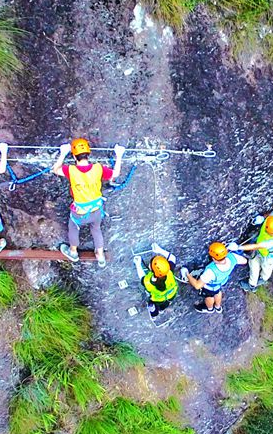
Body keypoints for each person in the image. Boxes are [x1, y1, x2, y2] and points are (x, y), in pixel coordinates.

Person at [53, 137, 125, 266]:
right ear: (88, 153)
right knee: (96, 229)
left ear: (74, 157)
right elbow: (116, 173)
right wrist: (119, 155)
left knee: (73, 228)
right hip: (96, 209)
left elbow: (56, 169)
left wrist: (63, 153)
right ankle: (100, 255)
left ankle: (73, 252)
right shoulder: (98, 168)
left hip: (79, 212)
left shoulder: (70, 170)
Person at [181, 241, 246, 313]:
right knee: (217, 292)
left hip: (210, 286)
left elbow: (197, 285)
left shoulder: (210, 271)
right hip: (220, 282)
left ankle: (210, 309)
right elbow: (244, 261)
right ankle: (218, 307)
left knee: (209, 296)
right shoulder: (232, 257)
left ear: (213, 258)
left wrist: (187, 274)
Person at [240, 213, 273, 288]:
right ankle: (256, 282)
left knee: (263, 266)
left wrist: (238, 247)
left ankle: (257, 282)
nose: (270, 234)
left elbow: (255, 246)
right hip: (263, 252)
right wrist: (262, 218)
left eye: (272, 234)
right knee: (257, 265)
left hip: (268, 257)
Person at [133, 253, 179, 320]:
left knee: (152, 304)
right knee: (165, 304)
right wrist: (159, 250)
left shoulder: (148, 282)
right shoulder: (169, 272)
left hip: (158, 300)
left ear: (152, 269)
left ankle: (154, 313)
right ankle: (162, 308)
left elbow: (142, 276)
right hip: (171, 295)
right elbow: (172, 258)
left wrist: (138, 264)